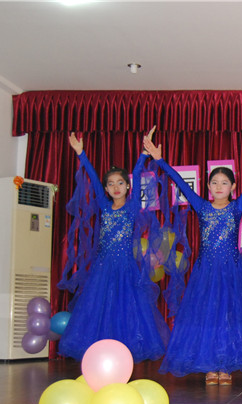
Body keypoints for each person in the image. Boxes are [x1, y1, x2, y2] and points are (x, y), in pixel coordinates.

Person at [144, 127, 242, 385]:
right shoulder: (202, 206)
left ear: (233, 186)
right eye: (215, 182)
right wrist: (160, 161)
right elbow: (179, 183)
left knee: (228, 317)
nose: (219, 186)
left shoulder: (237, 206)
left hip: (230, 272)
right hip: (206, 273)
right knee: (206, 317)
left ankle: (225, 365)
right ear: (208, 186)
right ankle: (210, 365)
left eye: (224, 183)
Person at [58, 130, 169, 362]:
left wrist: (143, 154)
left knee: (124, 311)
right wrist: (81, 154)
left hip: (125, 268)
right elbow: (92, 177)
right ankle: (101, 356)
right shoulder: (104, 205)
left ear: (128, 187)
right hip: (103, 268)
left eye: (120, 183)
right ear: (106, 190)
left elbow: (137, 172)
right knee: (100, 310)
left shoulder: (131, 207)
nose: (116, 187)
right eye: (110, 184)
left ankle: (121, 356)